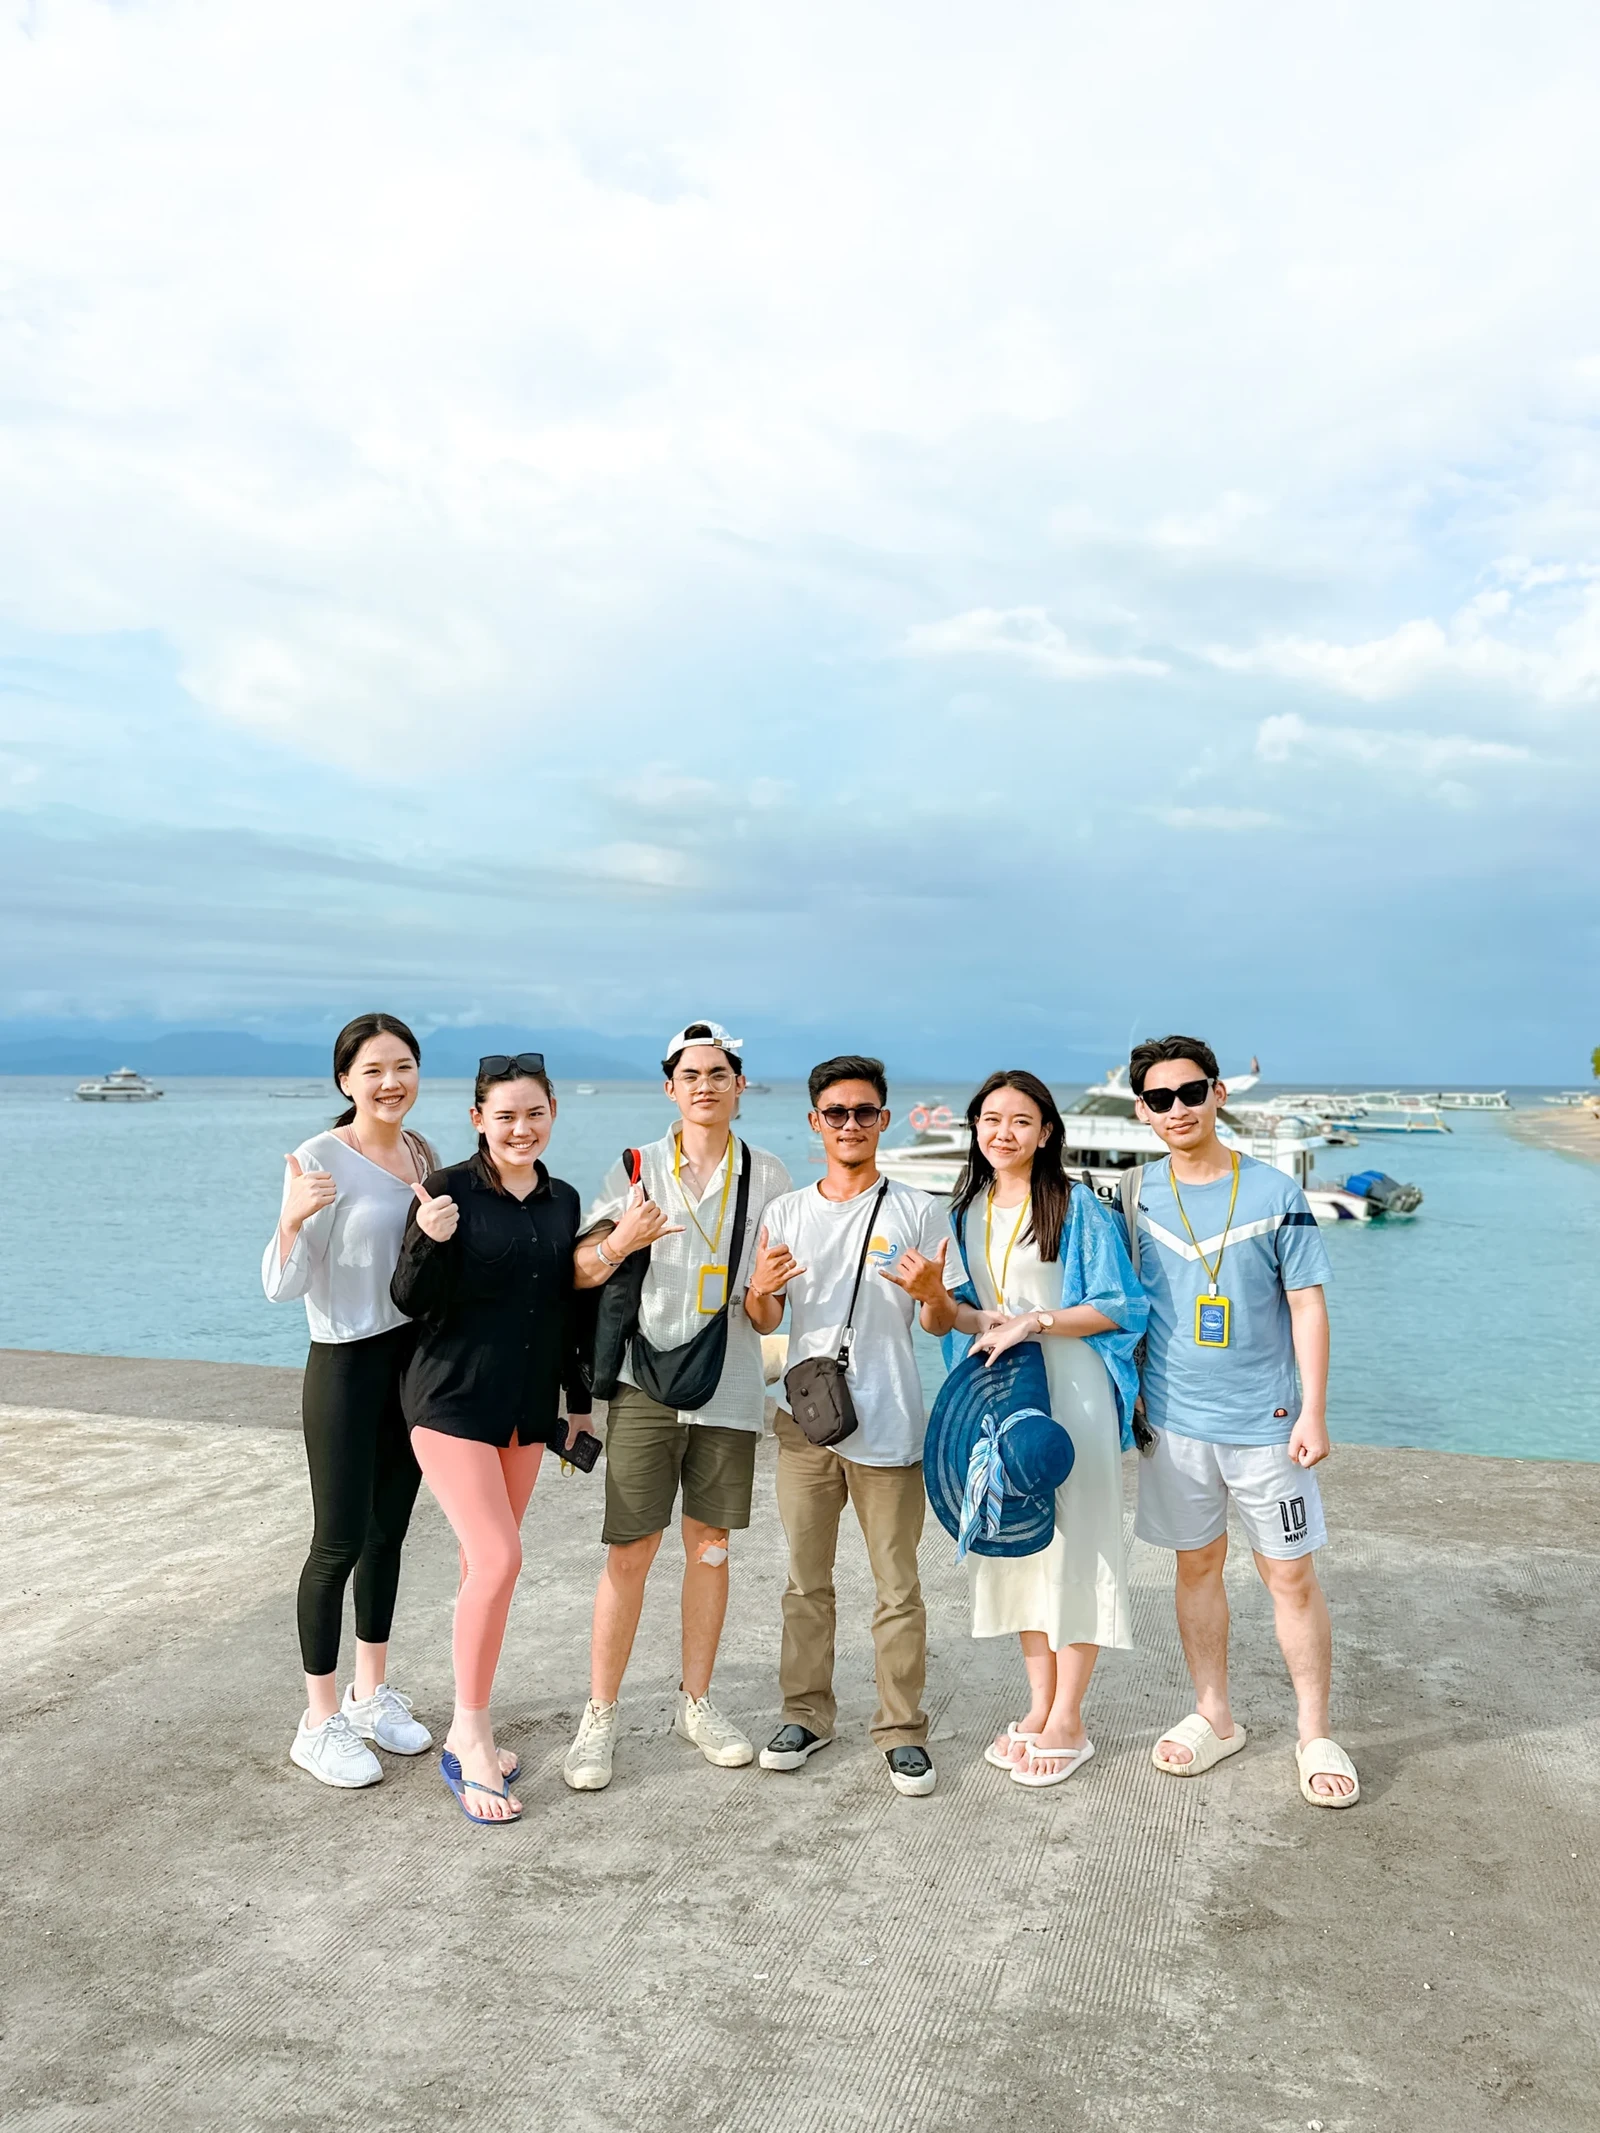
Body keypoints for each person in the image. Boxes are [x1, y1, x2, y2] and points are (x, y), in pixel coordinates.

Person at [1125, 1035, 1357, 1807]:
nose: (1178, 1108)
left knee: (1289, 1574)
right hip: (1174, 1423)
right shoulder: (1135, 1196)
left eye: (1191, 1092)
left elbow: (1307, 1304)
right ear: (1143, 1110)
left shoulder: (1275, 1191)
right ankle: (1214, 1714)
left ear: (1218, 1093)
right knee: (1195, 1566)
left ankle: (1314, 1731)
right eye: (1160, 1098)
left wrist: (1315, 1410)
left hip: (1268, 1422)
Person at [900, 1070, 1147, 1788]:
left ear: (1046, 1132)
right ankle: (1039, 1705)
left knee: (1079, 1542)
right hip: (1001, 1389)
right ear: (974, 1128)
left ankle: (1071, 1717)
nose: (1002, 1132)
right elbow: (957, 1316)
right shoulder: (963, 1211)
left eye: (1019, 1120)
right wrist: (933, 1298)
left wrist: (1033, 1321)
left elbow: (1119, 1305)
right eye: (990, 1119)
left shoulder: (1074, 1205)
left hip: (1074, 1389)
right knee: (1017, 1541)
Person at [565, 1021, 791, 1792]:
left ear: (739, 1084)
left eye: (719, 1073)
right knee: (630, 1548)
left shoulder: (768, 1175)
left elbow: (767, 1313)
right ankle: (600, 1713)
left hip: (730, 1383)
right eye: (690, 1074)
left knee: (711, 1546)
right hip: (643, 1381)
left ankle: (696, 1703)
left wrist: (766, 1293)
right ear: (670, 1087)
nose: (705, 1085)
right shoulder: (635, 1167)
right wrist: (620, 1239)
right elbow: (579, 1271)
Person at [389, 1053, 592, 1824]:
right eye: (504, 1115)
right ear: (478, 1118)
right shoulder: (444, 1191)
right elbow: (408, 1298)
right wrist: (426, 1239)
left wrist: (579, 1404)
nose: (520, 1127)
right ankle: (471, 1733)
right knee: (502, 1557)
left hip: (526, 1409)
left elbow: (567, 1312)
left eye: (534, 1112)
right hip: (449, 1400)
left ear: (552, 1114)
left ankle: (464, 1726)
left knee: (485, 1566)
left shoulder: (562, 1199)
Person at [744, 1056, 948, 1797]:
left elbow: (937, 1321)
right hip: (806, 1422)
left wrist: (934, 1294)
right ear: (815, 1123)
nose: (851, 1124)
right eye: (837, 1113)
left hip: (890, 1419)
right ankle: (806, 1714)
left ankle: (901, 1729)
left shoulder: (920, 1209)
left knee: (897, 1586)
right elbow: (764, 1317)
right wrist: (759, 1291)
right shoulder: (787, 1212)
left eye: (864, 1112)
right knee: (806, 1581)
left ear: (884, 1120)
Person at [264, 1012, 440, 1789]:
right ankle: (318, 1720)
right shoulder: (317, 1157)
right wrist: (291, 1217)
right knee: (336, 1543)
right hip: (343, 1364)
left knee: (386, 1535)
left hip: (410, 1366)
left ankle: (370, 1696)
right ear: (345, 1079)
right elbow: (281, 1285)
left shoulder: (422, 1153)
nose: (390, 1081)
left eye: (403, 1065)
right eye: (372, 1069)